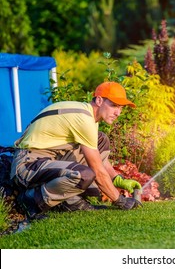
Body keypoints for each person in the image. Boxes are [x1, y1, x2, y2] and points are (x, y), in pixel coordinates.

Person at [10, 81, 142, 220]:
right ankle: (30, 201)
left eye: (121, 108)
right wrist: (120, 200)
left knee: (101, 141)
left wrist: (116, 179)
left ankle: (70, 202)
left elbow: (97, 158)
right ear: (99, 100)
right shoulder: (83, 118)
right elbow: (97, 170)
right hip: (27, 166)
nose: (118, 113)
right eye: (114, 105)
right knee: (84, 176)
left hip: (47, 160)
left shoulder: (88, 116)